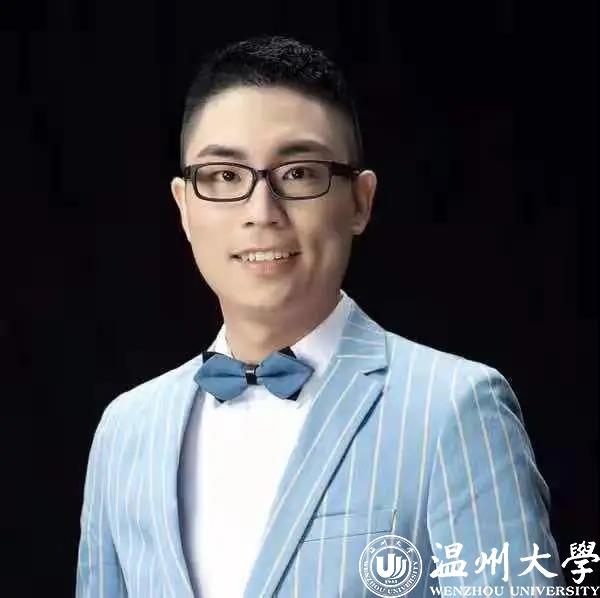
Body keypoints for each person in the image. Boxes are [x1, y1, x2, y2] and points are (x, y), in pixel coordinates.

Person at [76, 35, 564, 597]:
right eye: (225, 176)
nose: (261, 213)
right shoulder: (126, 430)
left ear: (360, 202)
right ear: (185, 207)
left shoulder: (453, 407)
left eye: (299, 173)